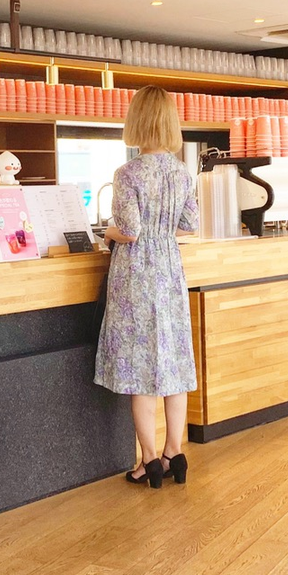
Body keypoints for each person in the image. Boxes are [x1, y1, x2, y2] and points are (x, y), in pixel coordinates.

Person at [95, 86, 198, 489]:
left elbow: (130, 231)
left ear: (135, 120)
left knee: (141, 369)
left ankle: (149, 460)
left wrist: (107, 233)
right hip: (170, 270)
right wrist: (162, 230)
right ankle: (175, 452)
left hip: (137, 274)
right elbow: (189, 225)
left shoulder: (128, 174)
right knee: (173, 362)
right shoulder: (181, 172)